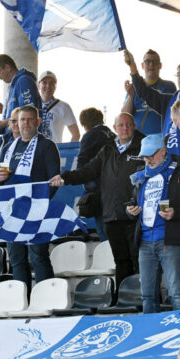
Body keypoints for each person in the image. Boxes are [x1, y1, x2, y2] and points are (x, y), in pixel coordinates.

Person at [50, 112, 144, 287]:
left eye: (128, 125)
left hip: (136, 216)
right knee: (121, 262)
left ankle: (143, 299)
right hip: (111, 215)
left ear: (134, 126)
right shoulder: (107, 150)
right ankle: (125, 297)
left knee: (139, 261)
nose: (125, 128)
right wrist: (65, 178)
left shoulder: (144, 147)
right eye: (121, 125)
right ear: (115, 128)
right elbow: (88, 171)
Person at [127, 134, 180, 313]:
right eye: (145, 155)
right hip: (144, 241)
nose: (148, 159)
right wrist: (129, 210)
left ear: (163, 151)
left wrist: (176, 212)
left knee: (176, 292)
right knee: (147, 295)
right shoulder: (139, 175)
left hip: (170, 239)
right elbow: (130, 201)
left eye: (151, 154)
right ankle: (149, 335)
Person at [0, 105, 60, 291]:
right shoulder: (9, 147)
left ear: (38, 122)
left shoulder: (47, 146)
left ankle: (46, 298)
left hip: (36, 211)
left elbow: (54, 180)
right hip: (13, 211)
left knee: (38, 256)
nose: (26, 123)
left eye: (30, 119)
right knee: (16, 258)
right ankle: (21, 299)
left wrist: (39, 206)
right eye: (22, 119)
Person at [74, 108, 116, 243]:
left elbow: (82, 163)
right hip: (117, 188)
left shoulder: (90, 135)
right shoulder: (112, 134)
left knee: (104, 230)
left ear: (84, 124)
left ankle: (109, 261)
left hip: (100, 188)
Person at [122, 48, 177, 135]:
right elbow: (125, 115)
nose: (151, 65)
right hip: (136, 141)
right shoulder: (134, 87)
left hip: (158, 139)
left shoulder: (168, 86)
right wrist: (131, 96)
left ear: (160, 65)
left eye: (154, 62)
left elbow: (172, 114)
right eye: (147, 62)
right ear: (142, 65)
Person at [0, 54, 40, 134]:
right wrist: (4, 109)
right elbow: (17, 112)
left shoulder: (24, 81)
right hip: (12, 139)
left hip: (22, 141)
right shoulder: (12, 86)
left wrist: (3, 123)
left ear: (7, 67)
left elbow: (28, 114)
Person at [36, 70, 80, 142]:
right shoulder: (32, 106)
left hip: (53, 151)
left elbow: (76, 134)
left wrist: (65, 151)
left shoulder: (63, 107)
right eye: (44, 83)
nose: (48, 86)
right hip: (34, 151)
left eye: (51, 83)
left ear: (55, 87)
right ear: (38, 85)